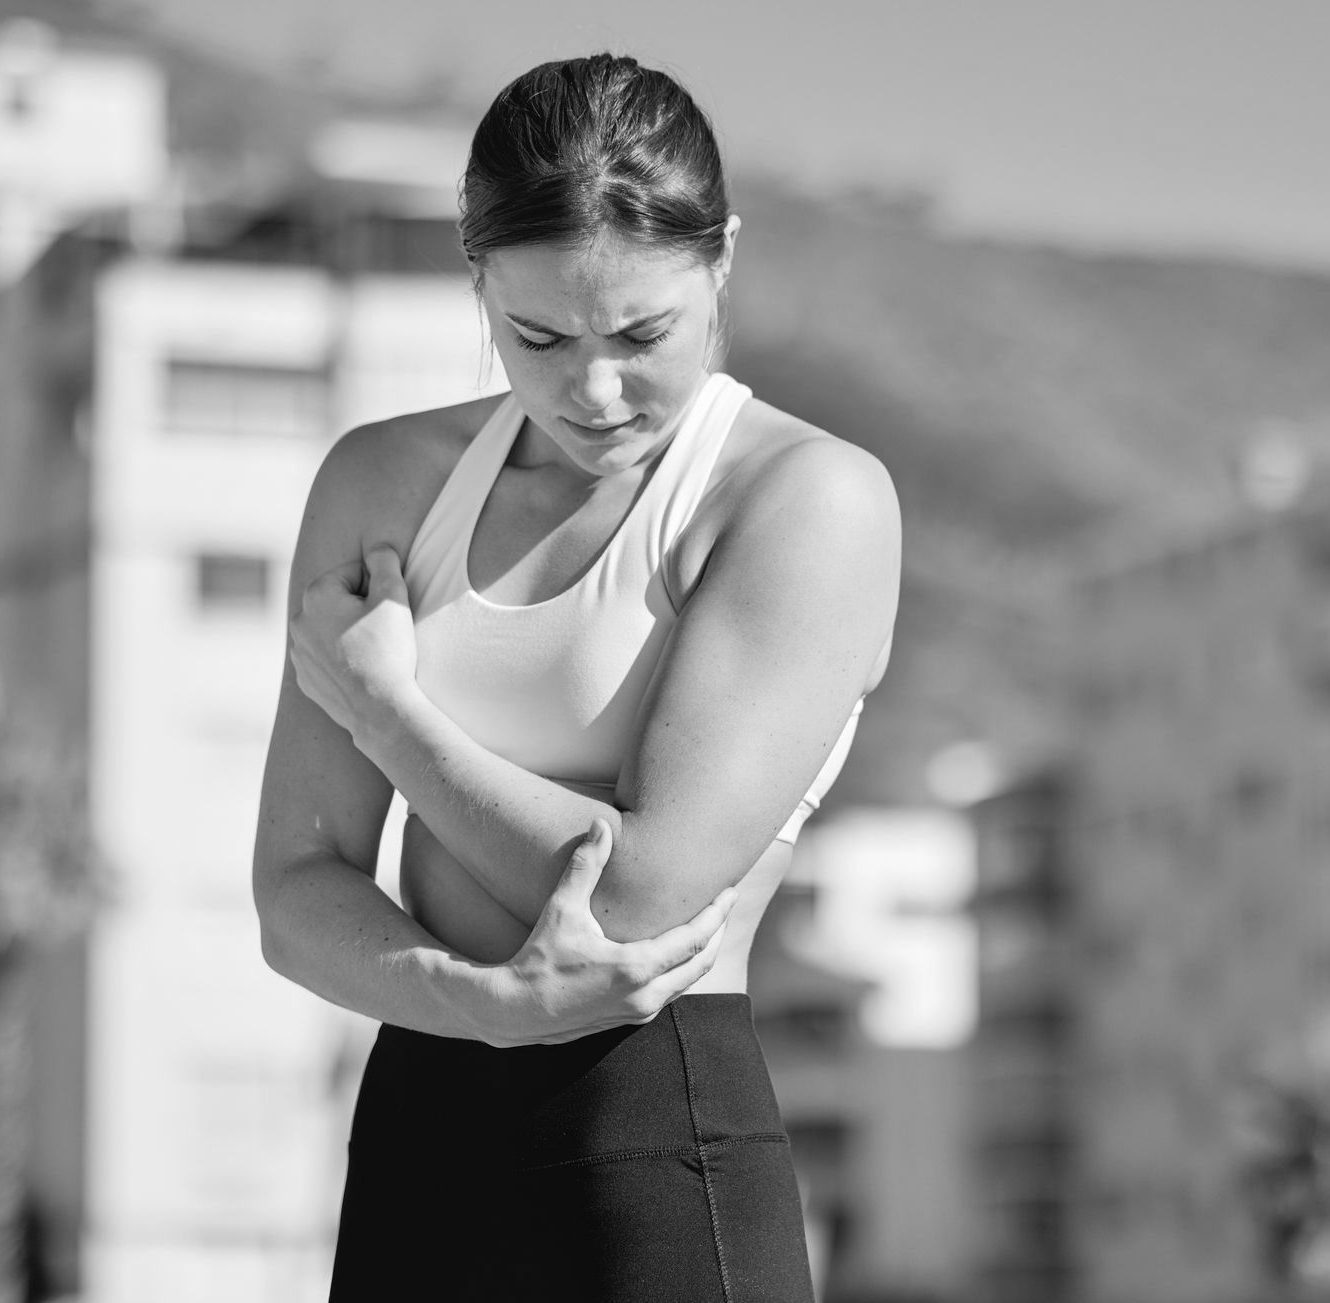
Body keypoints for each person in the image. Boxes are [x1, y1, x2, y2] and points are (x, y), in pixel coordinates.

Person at [251, 53, 899, 1300]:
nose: (592, 390)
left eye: (642, 334)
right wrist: (483, 1003)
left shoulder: (804, 498)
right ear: (476, 277)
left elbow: (644, 894)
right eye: (537, 334)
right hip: (418, 1133)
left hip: (656, 1138)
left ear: (721, 262)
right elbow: (293, 890)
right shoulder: (381, 484)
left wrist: (389, 714)